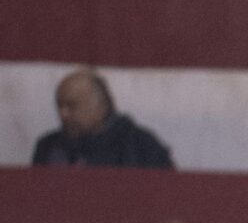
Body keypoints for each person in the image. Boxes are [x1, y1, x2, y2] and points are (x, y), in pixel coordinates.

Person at [31, 70, 175, 168]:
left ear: (101, 105)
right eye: (60, 106)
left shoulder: (142, 147)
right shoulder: (48, 147)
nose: (63, 114)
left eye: (71, 106)